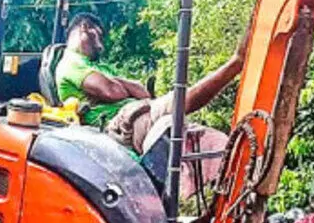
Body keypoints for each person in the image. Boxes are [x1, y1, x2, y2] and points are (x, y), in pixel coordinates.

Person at [54, 13, 246, 156]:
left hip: (137, 112)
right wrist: (118, 85)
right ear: (85, 28)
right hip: (119, 125)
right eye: (100, 37)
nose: (101, 45)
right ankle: (236, 63)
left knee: (209, 142)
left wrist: (119, 84)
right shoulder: (70, 63)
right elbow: (112, 92)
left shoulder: (97, 66)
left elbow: (142, 92)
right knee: (177, 106)